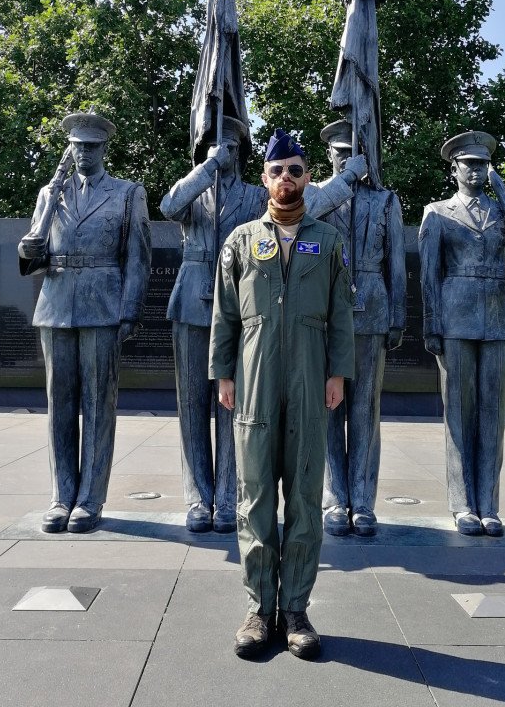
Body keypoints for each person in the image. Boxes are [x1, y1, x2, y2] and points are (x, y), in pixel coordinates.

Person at [161, 122, 365, 534]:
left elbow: (312, 199)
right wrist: (206, 167)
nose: (227, 150)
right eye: (220, 143)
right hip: (191, 304)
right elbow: (168, 206)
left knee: (236, 410)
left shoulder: (259, 195)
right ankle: (198, 496)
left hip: (244, 310)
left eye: (234, 145)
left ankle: (227, 497)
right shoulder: (196, 188)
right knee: (192, 409)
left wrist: (346, 177)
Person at [209, 129, 354, 660]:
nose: (286, 179)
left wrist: (338, 373)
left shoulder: (329, 241)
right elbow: (223, 313)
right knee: (253, 498)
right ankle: (257, 609)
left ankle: (295, 609)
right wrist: (223, 373)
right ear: (264, 179)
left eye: (295, 169)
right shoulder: (241, 240)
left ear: (308, 176)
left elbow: (341, 314)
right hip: (253, 381)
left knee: (305, 499)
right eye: (277, 171)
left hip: (312, 378)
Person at [18, 111, 151, 533]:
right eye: (77, 146)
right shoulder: (50, 193)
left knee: (98, 405)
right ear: (70, 148)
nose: (83, 153)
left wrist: (130, 309)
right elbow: (32, 261)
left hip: (103, 304)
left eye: (91, 146)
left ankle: (90, 499)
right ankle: (62, 495)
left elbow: (138, 258)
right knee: (60, 404)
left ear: (104, 148)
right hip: (56, 304)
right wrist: (31, 241)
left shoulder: (128, 194)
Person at [418, 131, 505, 537]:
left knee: (493, 416)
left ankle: (489, 503)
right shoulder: (436, 213)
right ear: (453, 168)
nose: (475, 170)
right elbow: (428, 277)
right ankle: (462, 505)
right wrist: (432, 324)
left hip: (499, 319)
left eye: (481, 164)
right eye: (468, 163)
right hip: (455, 318)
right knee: (459, 413)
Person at [319, 119, 406, 537]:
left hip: (372, 308)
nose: (345, 161)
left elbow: (398, 265)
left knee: (365, 410)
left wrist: (398, 316)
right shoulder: (317, 197)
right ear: (329, 158)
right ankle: (335, 498)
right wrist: (344, 180)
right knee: (329, 407)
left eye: (352, 155)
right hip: (324, 313)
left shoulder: (386, 201)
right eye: (338, 155)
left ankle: (363, 502)